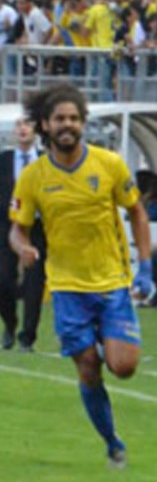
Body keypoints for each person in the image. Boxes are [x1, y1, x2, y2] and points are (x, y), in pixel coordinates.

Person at [8, 83, 153, 468]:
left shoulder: (109, 164)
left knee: (124, 368)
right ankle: (112, 443)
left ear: (83, 123)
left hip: (112, 282)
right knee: (87, 366)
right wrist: (23, 248)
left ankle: (106, 342)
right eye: (60, 119)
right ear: (45, 124)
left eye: (74, 118)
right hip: (66, 287)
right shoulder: (34, 176)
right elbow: (17, 228)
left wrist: (146, 267)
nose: (67, 125)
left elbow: (137, 212)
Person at [0, 116, 46, 352]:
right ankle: (10, 323)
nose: (22, 129)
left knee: (34, 284)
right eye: (18, 125)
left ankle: (27, 337)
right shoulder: (4, 160)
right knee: (3, 280)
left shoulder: (47, 161)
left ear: (36, 130)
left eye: (27, 124)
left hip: (37, 228)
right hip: (7, 226)